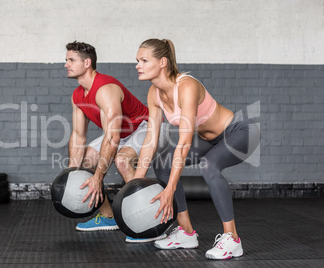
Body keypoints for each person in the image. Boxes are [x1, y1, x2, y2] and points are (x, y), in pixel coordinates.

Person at [133, 38, 260, 259]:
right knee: (161, 162)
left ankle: (233, 239)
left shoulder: (186, 86)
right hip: (209, 139)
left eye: (144, 60)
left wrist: (170, 187)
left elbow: (184, 142)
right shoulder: (154, 94)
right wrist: (135, 184)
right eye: (137, 60)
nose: (137, 65)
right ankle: (187, 233)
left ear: (163, 62)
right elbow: (150, 141)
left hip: (239, 132)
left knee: (209, 165)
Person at [65, 41, 169, 242]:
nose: (66, 64)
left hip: (148, 127)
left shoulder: (105, 88)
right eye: (66, 60)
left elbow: (112, 137)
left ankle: (151, 221)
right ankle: (108, 216)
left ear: (87, 63)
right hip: (123, 135)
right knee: (84, 163)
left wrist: (98, 177)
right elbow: (78, 136)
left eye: (71, 60)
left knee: (122, 160)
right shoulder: (77, 95)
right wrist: (72, 173)